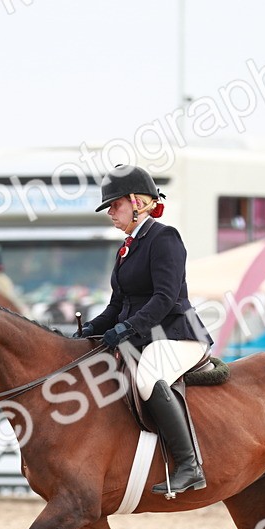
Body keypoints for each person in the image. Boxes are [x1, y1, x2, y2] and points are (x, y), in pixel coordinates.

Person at [77, 165, 213, 495]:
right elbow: (117, 304)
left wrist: (126, 327)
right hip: (143, 336)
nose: (111, 212)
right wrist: (93, 328)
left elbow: (165, 298)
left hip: (178, 335)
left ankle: (188, 466)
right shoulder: (126, 248)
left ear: (137, 202)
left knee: (149, 377)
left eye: (115, 205)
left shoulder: (164, 238)